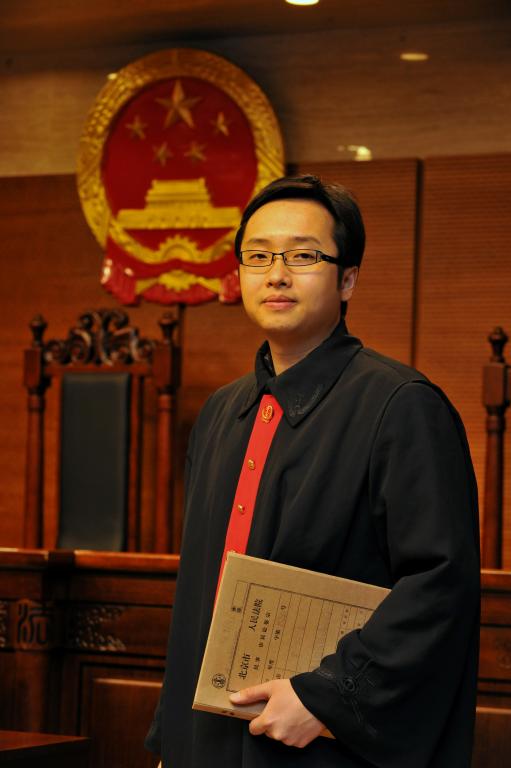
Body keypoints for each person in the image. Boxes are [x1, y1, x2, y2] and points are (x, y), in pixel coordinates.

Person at [146, 175, 480, 768]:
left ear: (347, 279)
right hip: (209, 739)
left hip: (319, 741)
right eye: (258, 256)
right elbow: (197, 595)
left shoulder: (401, 405)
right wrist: (171, 739)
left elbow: (440, 584)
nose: (276, 274)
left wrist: (325, 698)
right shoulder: (222, 411)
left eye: (302, 256)